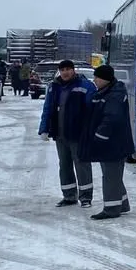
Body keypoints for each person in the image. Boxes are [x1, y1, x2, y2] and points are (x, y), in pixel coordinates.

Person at [38, 59, 97, 207]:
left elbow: (93, 110)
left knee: (82, 165)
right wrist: (44, 128)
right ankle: (69, 196)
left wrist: (91, 130)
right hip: (60, 134)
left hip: (78, 134)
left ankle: (86, 198)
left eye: (68, 69)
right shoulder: (54, 87)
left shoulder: (85, 86)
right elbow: (47, 108)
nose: (65, 72)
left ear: (73, 70)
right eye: (62, 70)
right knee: (64, 166)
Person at [77, 64, 133, 219]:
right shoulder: (106, 91)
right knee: (113, 175)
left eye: (97, 77)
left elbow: (111, 118)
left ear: (105, 79)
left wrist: (100, 136)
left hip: (113, 142)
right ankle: (122, 204)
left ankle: (111, 209)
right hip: (113, 142)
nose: (94, 80)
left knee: (110, 176)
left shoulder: (114, 94)